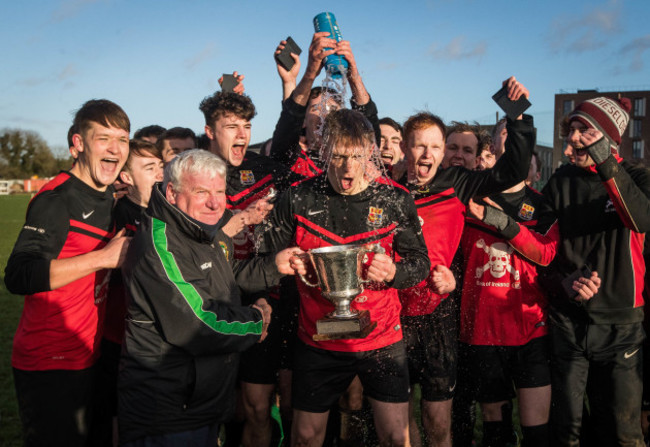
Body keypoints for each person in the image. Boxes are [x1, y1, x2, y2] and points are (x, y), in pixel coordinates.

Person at [258, 108, 430, 447]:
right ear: (324, 150)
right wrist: (288, 262)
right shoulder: (298, 197)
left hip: (382, 339)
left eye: (356, 156)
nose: (348, 167)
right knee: (306, 437)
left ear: (370, 152)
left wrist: (395, 272)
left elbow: (420, 263)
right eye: (338, 156)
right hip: (318, 338)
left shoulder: (394, 199)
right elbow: (266, 258)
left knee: (396, 436)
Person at [117, 149, 297, 446]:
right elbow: (198, 323)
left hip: (197, 403)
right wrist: (255, 321)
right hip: (169, 411)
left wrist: (273, 267)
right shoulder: (161, 243)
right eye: (202, 192)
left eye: (219, 191)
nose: (215, 202)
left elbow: (228, 273)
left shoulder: (196, 227)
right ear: (172, 193)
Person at [396, 76, 535, 447]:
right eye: (419, 146)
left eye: (435, 147)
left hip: (439, 313)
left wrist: (519, 116)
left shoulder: (456, 182)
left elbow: (512, 172)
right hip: (392, 311)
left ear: (442, 153)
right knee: (398, 417)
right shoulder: (387, 186)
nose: (427, 154)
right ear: (404, 148)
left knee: (438, 418)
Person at [4, 99, 132, 447]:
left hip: (88, 354)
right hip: (49, 361)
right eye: (104, 138)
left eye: (123, 139)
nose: (116, 148)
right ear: (77, 143)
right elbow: (19, 274)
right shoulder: (55, 199)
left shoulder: (107, 196)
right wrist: (101, 259)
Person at [542, 96, 650, 446]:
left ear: (607, 137)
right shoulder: (560, 181)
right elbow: (540, 250)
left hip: (622, 328)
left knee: (621, 432)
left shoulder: (636, 177)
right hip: (569, 324)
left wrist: (605, 161)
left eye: (583, 130)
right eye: (570, 129)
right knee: (568, 432)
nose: (572, 138)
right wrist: (563, 282)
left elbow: (641, 219)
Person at [459, 133, 559, 446]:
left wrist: (505, 224)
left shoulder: (543, 205)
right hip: (483, 330)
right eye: (503, 137)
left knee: (536, 430)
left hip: (530, 331)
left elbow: (546, 254)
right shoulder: (471, 198)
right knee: (496, 430)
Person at [88, 139, 165, 446]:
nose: (160, 173)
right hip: (120, 340)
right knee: (122, 416)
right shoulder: (117, 216)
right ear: (126, 178)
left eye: (161, 165)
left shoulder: (166, 211)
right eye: (149, 168)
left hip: (158, 340)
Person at [270, 32, 380, 179]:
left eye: (333, 109)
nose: (325, 115)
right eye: (316, 108)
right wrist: (309, 74)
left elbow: (369, 126)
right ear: (303, 121)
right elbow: (289, 122)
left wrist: (353, 75)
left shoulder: (361, 161)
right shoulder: (294, 162)